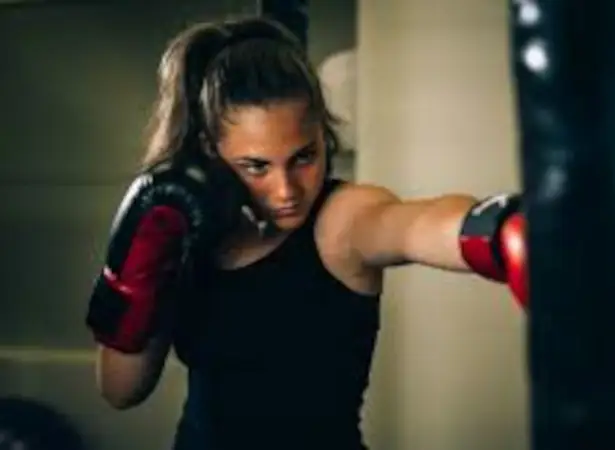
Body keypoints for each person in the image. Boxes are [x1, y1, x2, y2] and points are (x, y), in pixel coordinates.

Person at [84, 16, 527, 450]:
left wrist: (502, 231)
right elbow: (120, 390)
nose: (287, 191)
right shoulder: (183, 234)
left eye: (303, 156)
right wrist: (140, 261)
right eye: (256, 166)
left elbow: (416, 225)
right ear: (210, 151)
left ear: (322, 133)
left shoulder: (340, 222)